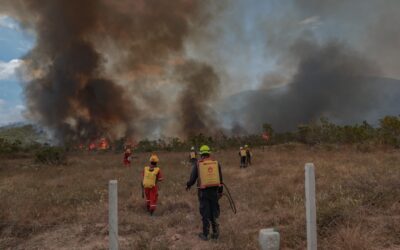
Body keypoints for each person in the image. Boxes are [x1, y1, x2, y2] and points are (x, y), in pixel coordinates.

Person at [186, 145, 223, 241]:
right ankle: (215, 233)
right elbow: (220, 179)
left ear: (201, 155)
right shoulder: (216, 164)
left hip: (203, 193)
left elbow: (192, 179)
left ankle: (205, 234)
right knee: (213, 211)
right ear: (209, 153)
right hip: (214, 192)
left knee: (205, 212)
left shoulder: (198, 164)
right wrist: (220, 191)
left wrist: (188, 185)